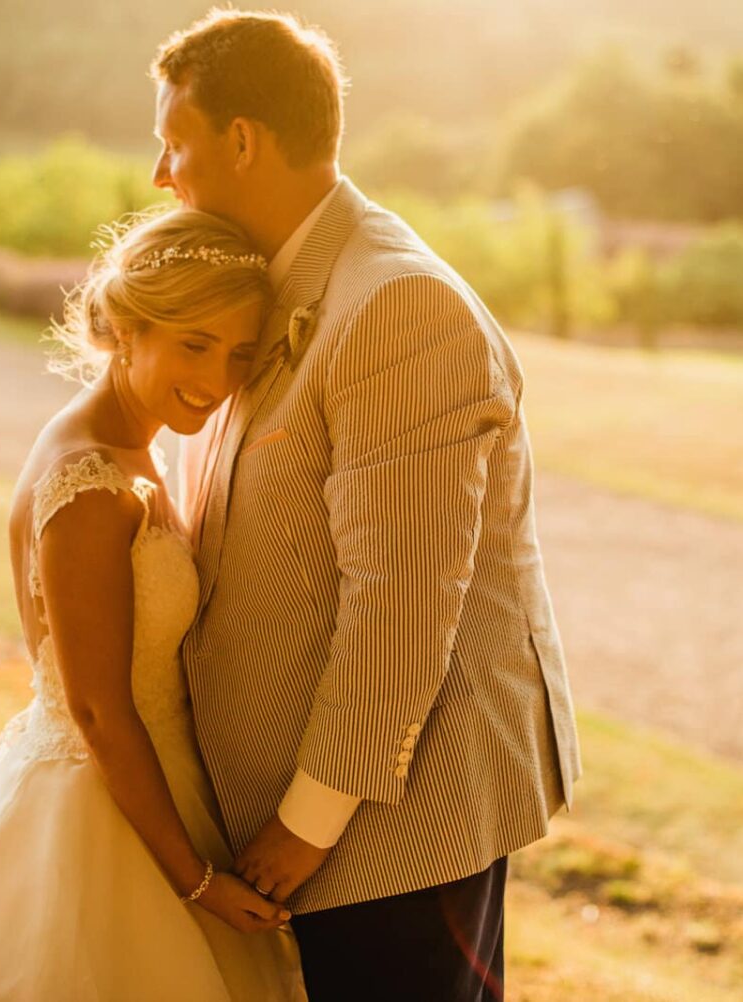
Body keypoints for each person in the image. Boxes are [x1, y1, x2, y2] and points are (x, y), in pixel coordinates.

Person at [154, 10, 582, 1000]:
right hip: (308, 817)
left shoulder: (395, 307)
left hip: (396, 822)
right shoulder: (272, 285)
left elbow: (400, 607)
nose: (159, 175)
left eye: (173, 143)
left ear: (244, 140)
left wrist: (303, 827)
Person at [0, 207, 307, 1001]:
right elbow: (96, 710)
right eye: (195, 344)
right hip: (97, 813)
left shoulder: (131, 444)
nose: (219, 378)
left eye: (240, 353)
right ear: (125, 328)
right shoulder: (89, 483)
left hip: (152, 783)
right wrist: (194, 885)